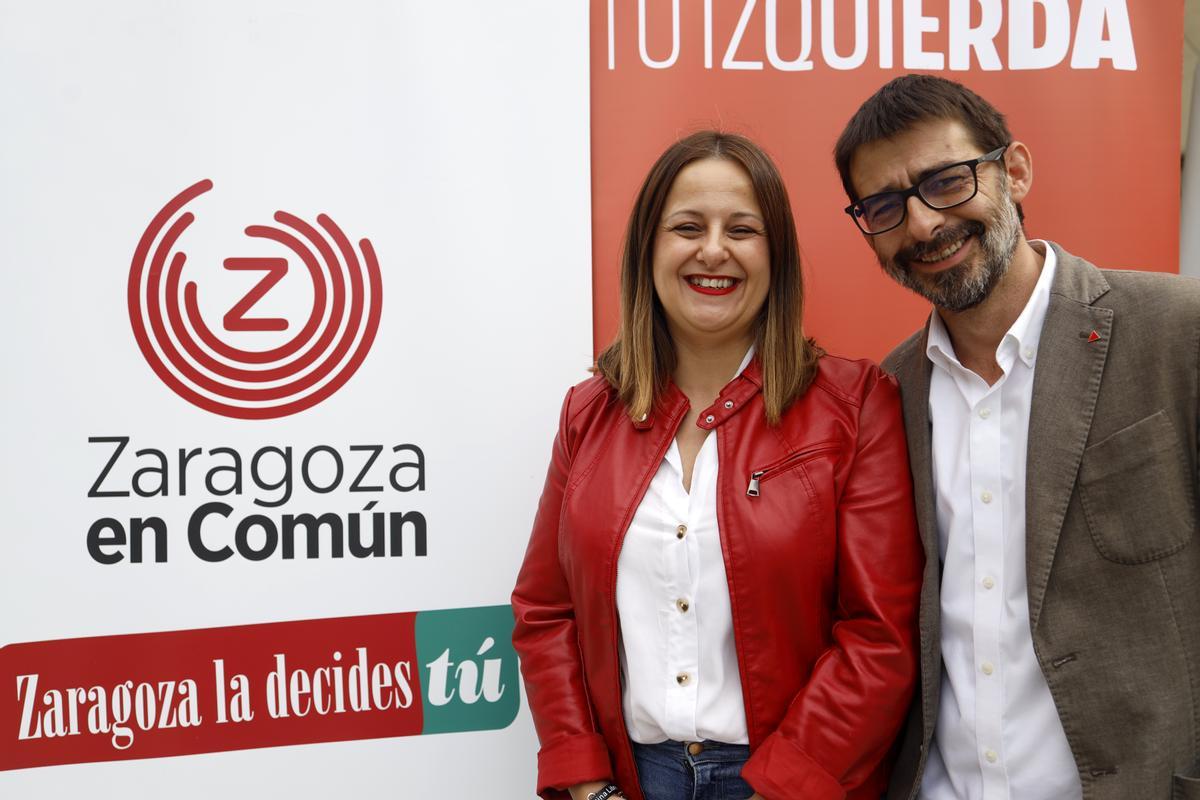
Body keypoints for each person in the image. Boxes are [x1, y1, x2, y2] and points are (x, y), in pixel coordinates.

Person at [511, 130, 923, 800]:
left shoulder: (855, 405)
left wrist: (785, 785)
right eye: (687, 226)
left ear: (776, 256)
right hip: (632, 781)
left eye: (742, 228)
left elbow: (880, 636)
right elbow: (544, 610)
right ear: (649, 249)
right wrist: (584, 781)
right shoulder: (587, 414)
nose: (713, 250)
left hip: (790, 783)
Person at [833, 74, 1200, 799]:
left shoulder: (1175, 332)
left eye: (945, 180)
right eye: (883, 205)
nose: (921, 225)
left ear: (1016, 170)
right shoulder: (888, 393)